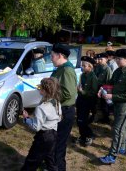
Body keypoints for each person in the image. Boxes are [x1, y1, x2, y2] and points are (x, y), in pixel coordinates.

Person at [98, 48, 126, 164]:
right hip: (117, 103)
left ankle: (112, 155)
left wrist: (112, 97)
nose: (116, 61)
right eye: (116, 58)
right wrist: (102, 89)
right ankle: (122, 147)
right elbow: (110, 83)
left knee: (117, 129)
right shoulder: (118, 71)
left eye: (119, 59)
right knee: (121, 126)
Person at [21, 77, 62, 171]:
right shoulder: (56, 101)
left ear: (44, 91)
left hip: (43, 137)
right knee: (50, 159)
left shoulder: (41, 108)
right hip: (53, 134)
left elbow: (36, 127)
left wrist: (27, 118)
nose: (39, 89)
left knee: (32, 160)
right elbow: (58, 118)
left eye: (40, 88)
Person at [50, 43, 77, 171]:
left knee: (59, 143)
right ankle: (53, 165)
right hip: (59, 110)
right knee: (54, 142)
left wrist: (50, 95)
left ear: (60, 55)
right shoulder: (60, 69)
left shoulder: (67, 70)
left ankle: (59, 168)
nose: (51, 58)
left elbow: (68, 93)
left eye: (52, 56)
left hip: (65, 112)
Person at [75, 56, 98, 146]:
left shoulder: (93, 77)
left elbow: (93, 92)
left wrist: (82, 91)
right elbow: (80, 85)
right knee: (79, 120)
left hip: (88, 102)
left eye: (84, 66)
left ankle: (89, 135)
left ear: (90, 67)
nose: (82, 67)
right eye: (82, 65)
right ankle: (83, 135)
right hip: (81, 100)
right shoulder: (82, 75)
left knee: (83, 120)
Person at [94, 52, 112, 124]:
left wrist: (103, 91)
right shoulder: (98, 67)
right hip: (97, 87)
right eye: (98, 59)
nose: (99, 61)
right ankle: (102, 116)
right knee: (100, 104)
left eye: (101, 59)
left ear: (106, 60)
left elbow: (108, 82)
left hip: (104, 88)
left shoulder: (107, 69)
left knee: (104, 104)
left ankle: (106, 119)